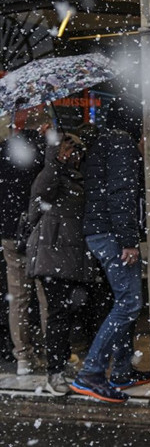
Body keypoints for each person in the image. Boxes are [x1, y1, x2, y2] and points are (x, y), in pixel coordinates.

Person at [69, 121, 150, 403]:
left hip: (102, 232)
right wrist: (129, 240)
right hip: (112, 235)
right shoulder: (121, 146)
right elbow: (121, 194)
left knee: (124, 301)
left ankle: (122, 371)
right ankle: (91, 373)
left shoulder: (106, 144)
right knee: (129, 303)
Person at [26, 127, 98, 395]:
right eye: (69, 149)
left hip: (71, 258)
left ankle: (62, 363)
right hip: (52, 256)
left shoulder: (77, 176)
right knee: (58, 315)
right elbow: (39, 195)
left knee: (69, 313)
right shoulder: (51, 175)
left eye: (77, 150)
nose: (74, 155)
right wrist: (56, 162)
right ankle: (54, 372)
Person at [0, 106, 48, 376]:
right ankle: (51, 351)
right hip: (38, 230)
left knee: (18, 296)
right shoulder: (43, 150)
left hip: (9, 232)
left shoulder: (4, 150)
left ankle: (23, 358)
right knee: (45, 295)